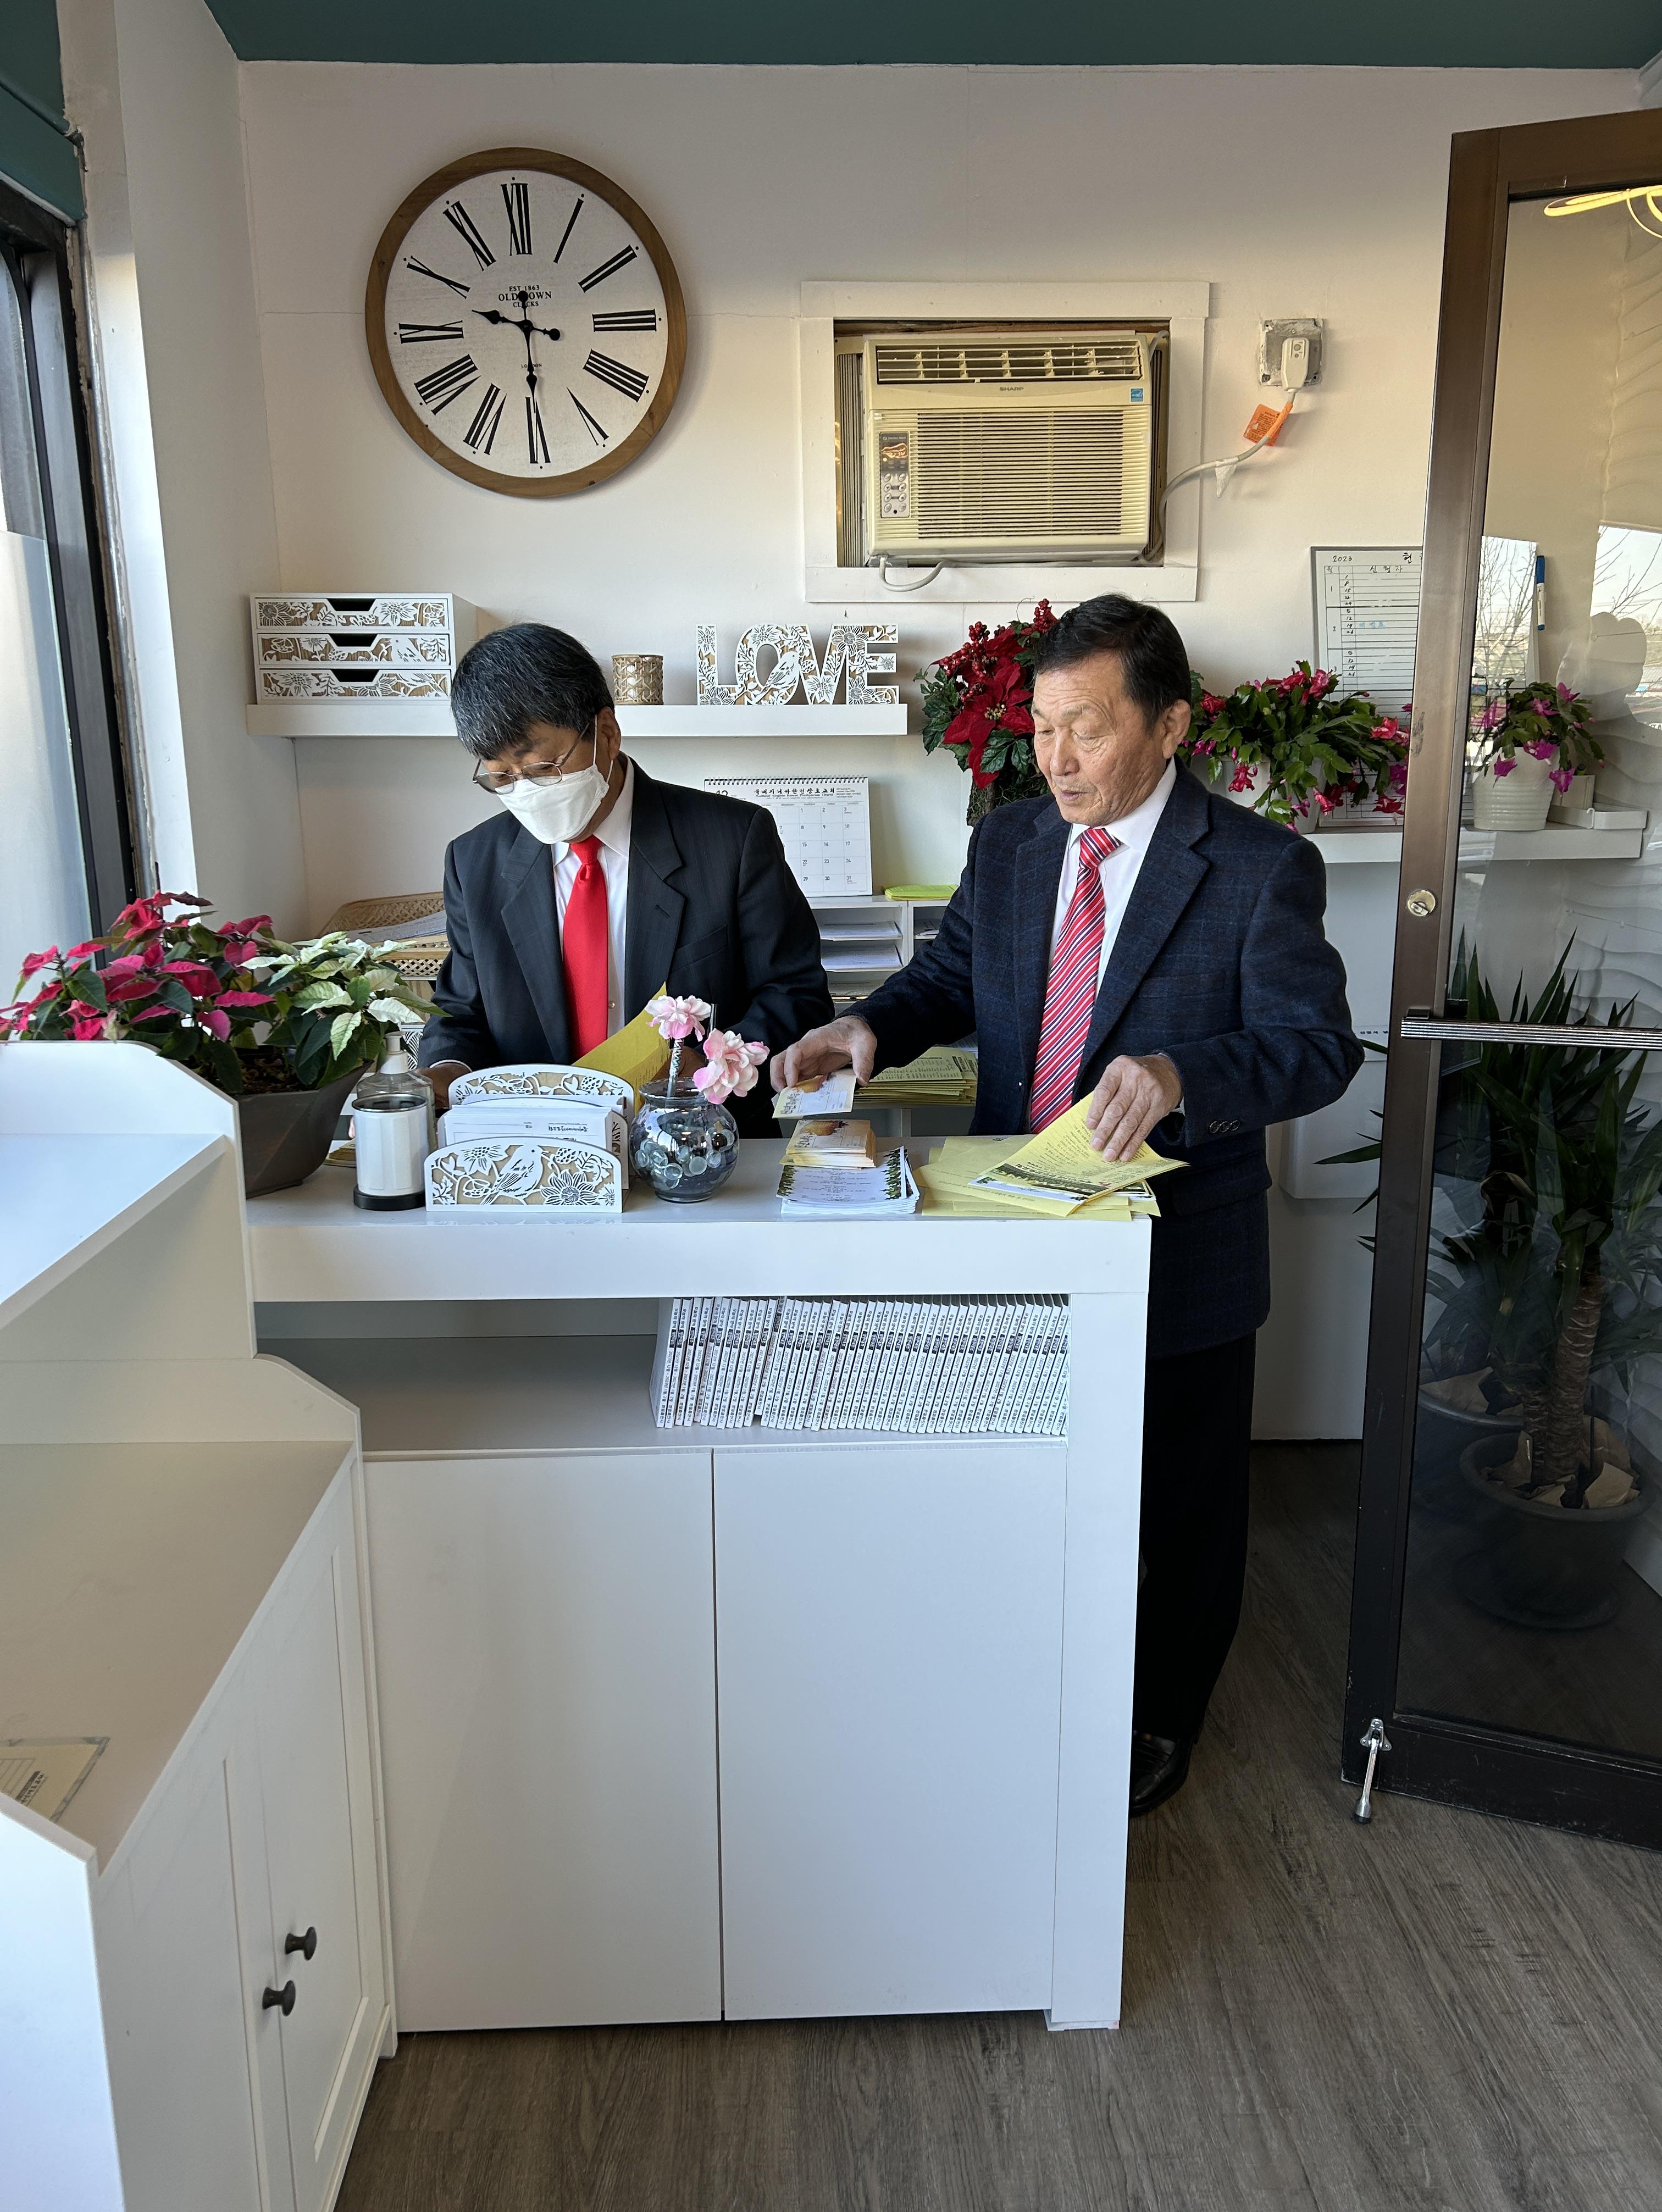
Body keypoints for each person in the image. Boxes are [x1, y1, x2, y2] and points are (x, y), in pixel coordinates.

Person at [772, 594, 1362, 1814]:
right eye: (1041, 729)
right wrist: (867, 1026)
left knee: (1177, 1504)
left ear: (1170, 726)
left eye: (1086, 729)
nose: (1056, 758)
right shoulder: (1012, 842)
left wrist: (1182, 1076)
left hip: (1179, 1251)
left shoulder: (1259, 867)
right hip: (1014, 1217)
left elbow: (1316, 1049)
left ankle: (1161, 1714)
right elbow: (952, 974)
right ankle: (1034, 1672)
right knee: (1031, 1473)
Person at [420, 624, 833, 1132]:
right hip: (536, 1148)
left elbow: (795, 993)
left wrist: (708, 1070)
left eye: (544, 766)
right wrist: (443, 1072)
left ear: (608, 735)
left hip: (704, 1142)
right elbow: (460, 1013)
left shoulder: (732, 841)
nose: (525, 792)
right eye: (502, 777)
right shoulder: (473, 863)